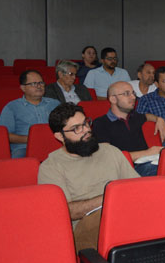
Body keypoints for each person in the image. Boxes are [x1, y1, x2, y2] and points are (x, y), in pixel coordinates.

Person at [38, 103, 140, 252]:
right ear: (60, 136)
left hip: (124, 214)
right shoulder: (50, 167)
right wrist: (110, 198)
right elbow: (65, 211)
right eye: (76, 128)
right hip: (85, 227)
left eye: (86, 123)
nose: (86, 130)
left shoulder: (109, 151)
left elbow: (137, 186)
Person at [91, 81, 165, 176]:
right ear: (113, 99)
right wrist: (147, 153)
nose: (133, 97)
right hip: (124, 169)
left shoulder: (134, 116)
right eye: (127, 94)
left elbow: (147, 116)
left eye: (133, 93)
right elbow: (107, 158)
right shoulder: (101, 123)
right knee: (163, 169)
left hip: (146, 162)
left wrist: (158, 119)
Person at [0, 69, 60, 158]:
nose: (39, 86)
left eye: (41, 83)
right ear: (23, 88)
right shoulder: (12, 107)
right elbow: (4, 135)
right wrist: (32, 139)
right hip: (24, 148)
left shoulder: (54, 104)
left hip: (54, 146)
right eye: (33, 83)